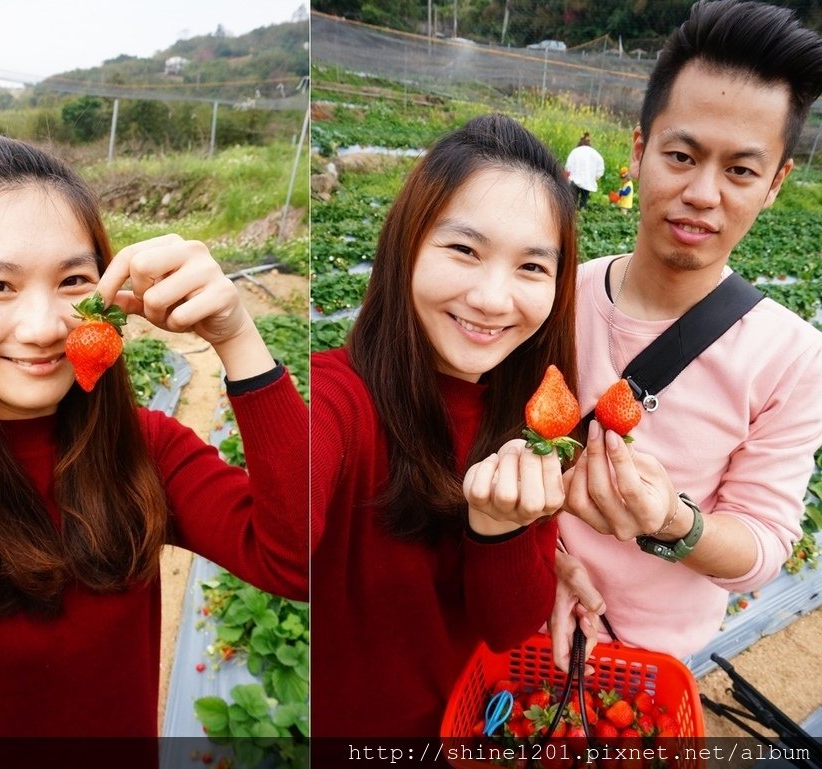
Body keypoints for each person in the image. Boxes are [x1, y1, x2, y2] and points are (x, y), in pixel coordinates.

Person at [0, 137, 308, 760]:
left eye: (73, 280)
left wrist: (237, 338)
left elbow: (301, 559)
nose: (42, 328)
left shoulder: (144, 449)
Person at [551, 0, 822, 671]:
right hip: (516, 609)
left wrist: (674, 522)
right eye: (681, 154)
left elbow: (761, 545)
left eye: (740, 170)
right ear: (639, 151)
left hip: (654, 656)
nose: (702, 192)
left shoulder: (792, 358)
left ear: (775, 184)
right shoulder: (551, 294)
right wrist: (545, 562)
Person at [311, 114, 581, 740]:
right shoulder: (339, 396)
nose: (492, 299)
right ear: (407, 244)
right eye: (464, 250)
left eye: (532, 268)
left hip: (466, 727)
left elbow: (508, 627)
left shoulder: (534, 422)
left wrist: (500, 529)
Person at [564, 131, 605, 209]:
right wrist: (594, 178)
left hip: (574, 181)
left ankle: (572, 213)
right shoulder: (595, 154)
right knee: (584, 199)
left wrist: (569, 177)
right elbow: (600, 169)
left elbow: (568, 167)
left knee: (573, 200)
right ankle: (582, 212)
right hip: (587, 181)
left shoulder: (574, 152)